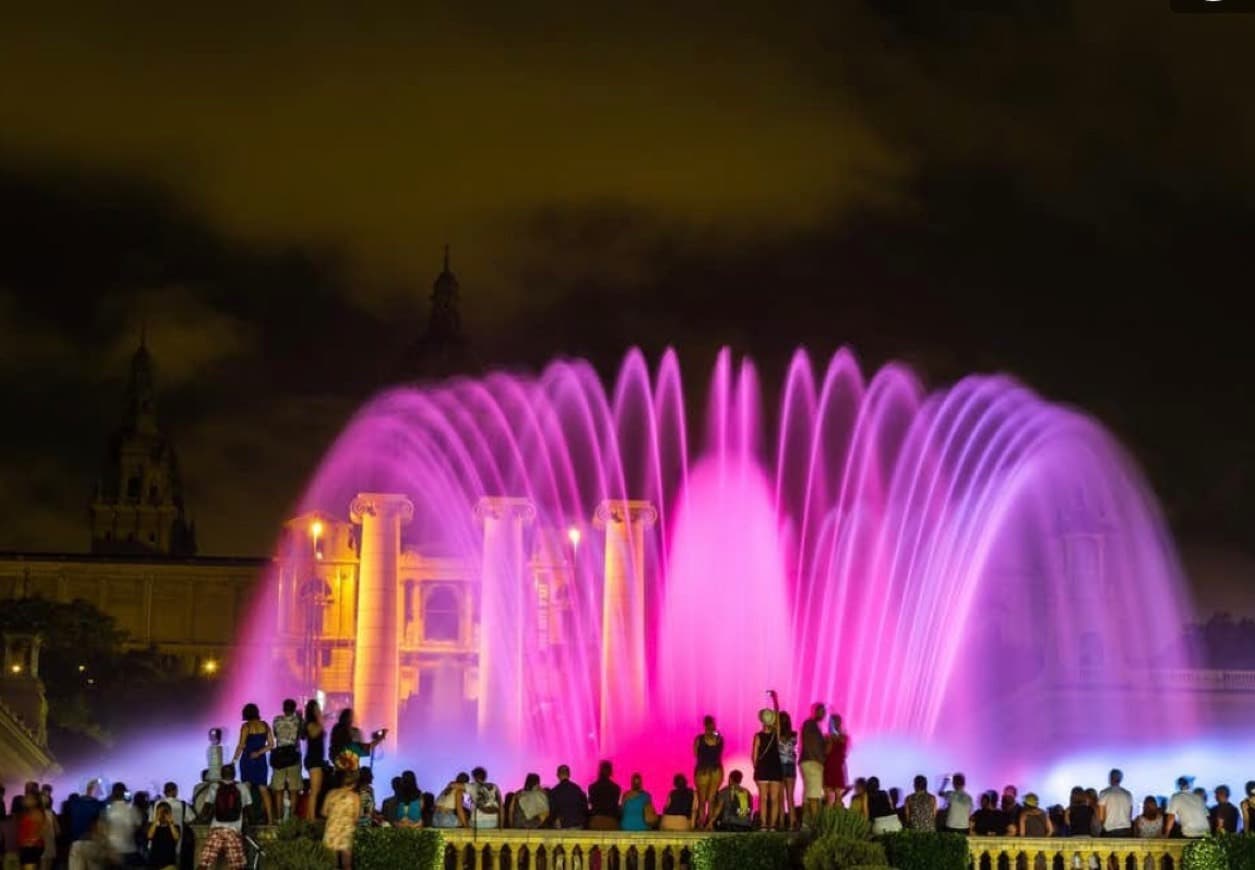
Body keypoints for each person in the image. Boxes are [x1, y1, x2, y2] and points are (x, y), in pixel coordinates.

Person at [194, 763, 252, 870]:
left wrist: (199, 819)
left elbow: (207, 807)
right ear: (234, 774)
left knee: (204, 863)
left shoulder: (215, 786)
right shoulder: (242, 787)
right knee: (238, 866)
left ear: (221, 774)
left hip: (216, 829)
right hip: (233, 831)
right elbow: (248, 809)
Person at [231, 703, 274, 825]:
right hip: (260, 761)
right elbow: (271, 745)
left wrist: (234, 761)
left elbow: (241, 745)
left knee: (246, 790)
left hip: (247, 760)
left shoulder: (246, 726)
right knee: (263, 790)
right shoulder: (265, 725)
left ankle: (244, 820)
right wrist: (259, 752)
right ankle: (270, 821)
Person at [752, 689, 784, 830]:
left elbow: (753, 755)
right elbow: (778, 714)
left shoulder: (758, 736)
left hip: (763, 768)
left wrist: (756, 768)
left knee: (764, 798)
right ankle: (771, 825)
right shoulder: (776, 734)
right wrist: (775, 700)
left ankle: (764, 824)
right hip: (775, 767)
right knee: (774, 799)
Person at [270, 698, 303, 822]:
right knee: (294, 789)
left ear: (283, 708)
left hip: (279, 756)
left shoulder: (276, 720)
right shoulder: (298, 720)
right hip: (293, 756)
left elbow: (276, 735)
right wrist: (300, 718)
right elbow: (302, 735)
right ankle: (292, 817)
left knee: (279, 789)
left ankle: (279, 817)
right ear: (294, 709)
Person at [321, 769, 361, 870]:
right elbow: (356, 818)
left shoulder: (331, 793)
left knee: (331, 864)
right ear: (355, 783)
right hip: (346, 831)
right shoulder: (355, 797)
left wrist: (335, 815)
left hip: (331, 830)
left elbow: (323, 812)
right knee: (347, 865)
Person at [65, 779, 106, 870]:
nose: (102, 792)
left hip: (76, 843)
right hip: (92, 844)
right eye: (99, 789)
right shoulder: (99, 806)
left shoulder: (74, 804)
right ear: (93, 790)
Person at [693, 716, 724, 830]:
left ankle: (701, 823)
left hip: (702, 770)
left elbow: (695, 754)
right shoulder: (719, 739)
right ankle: (710, 824)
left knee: (702, 800)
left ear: (704, 725)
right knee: (711, 799)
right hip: (716, 770)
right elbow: (720, 750)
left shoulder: (699, 739)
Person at [799, 703, 827, 825]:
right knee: (814, 794)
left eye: (824, 711)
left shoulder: (812, 725)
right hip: (812, 762)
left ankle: (805, 822)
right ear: (815, 711)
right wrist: (821, 759)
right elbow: (813, 745)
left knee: (808, 794)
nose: (823, 714)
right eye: (821, 711)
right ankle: (815, 825)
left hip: (808, 761)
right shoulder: (810, 725)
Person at [103, 783, 141, 867]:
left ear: (112, 793)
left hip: (112, 850)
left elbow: (103, 829)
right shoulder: (132, 809)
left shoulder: (107, 810)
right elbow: (138, 826)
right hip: (130, 849)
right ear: (124, 793)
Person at [302, 699, 327, 821]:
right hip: (313, 759)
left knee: (316, 789)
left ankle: (309, 817)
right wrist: (321, 721)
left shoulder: (315, 723)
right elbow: (313, 734)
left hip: (317, 759)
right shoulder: (311, 724)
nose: (319, 710)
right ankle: (311, 819)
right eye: (317, 708)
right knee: (315, 790)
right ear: (312, 710)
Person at [548, 765, 588, 830]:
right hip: (577, 825)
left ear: (558, 775)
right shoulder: (577, 789)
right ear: (569, 774)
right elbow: (584, 808)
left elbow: (552, 811)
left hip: (561, 826)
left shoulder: (554, 791)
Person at [777, 711, 799, 830]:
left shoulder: (777, 735)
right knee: (790, 797)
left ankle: (780, 823)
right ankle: (792, 823)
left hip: (780, 766)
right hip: (791, 766)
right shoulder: (794, 735)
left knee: (780, 797)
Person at [823, 713, 850, 806]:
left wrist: (833, 738)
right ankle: (829, 818)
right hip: (829, 767)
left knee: (838, 795)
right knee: (829, 796)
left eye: (838, 721)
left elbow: (843, 744)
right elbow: (826, 752)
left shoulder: (844, 737)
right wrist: (830, 740)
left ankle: (837, 817)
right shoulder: (827, 737)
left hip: (838, 767)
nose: (837, 724)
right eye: (834, 722)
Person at [1096, 769, 1133, 837]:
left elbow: (1101, 817)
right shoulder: (1128, 794)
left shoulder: (1104, 793)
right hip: (1126, 830)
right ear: (1120, 779)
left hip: (1109, 831)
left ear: (1110, 778)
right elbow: (1129, 816)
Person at [588, 761, 622, 830]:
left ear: (599, 771)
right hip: (611, 821)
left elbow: (591, 802)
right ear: (611, 772)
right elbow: (615, 806)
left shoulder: (592, 787)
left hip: (596, 821)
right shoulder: (616, 788)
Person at [147, 802, 180, 870]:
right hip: (154, 864)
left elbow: (176, 837)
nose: (162, 815)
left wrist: (170, 822)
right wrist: (156, 819)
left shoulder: (175, 827)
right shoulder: (154, 827)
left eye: (165, 812)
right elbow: (149, 836)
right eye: (160, 812)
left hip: (169, 864)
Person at [17, 792, 46, 870]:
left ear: (35, 801)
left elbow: (44, 828)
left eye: (29, 798)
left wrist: (33, 840)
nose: (25, 800)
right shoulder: (28, 812)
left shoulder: (36, 813)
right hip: (27, 847)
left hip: (31, 847)